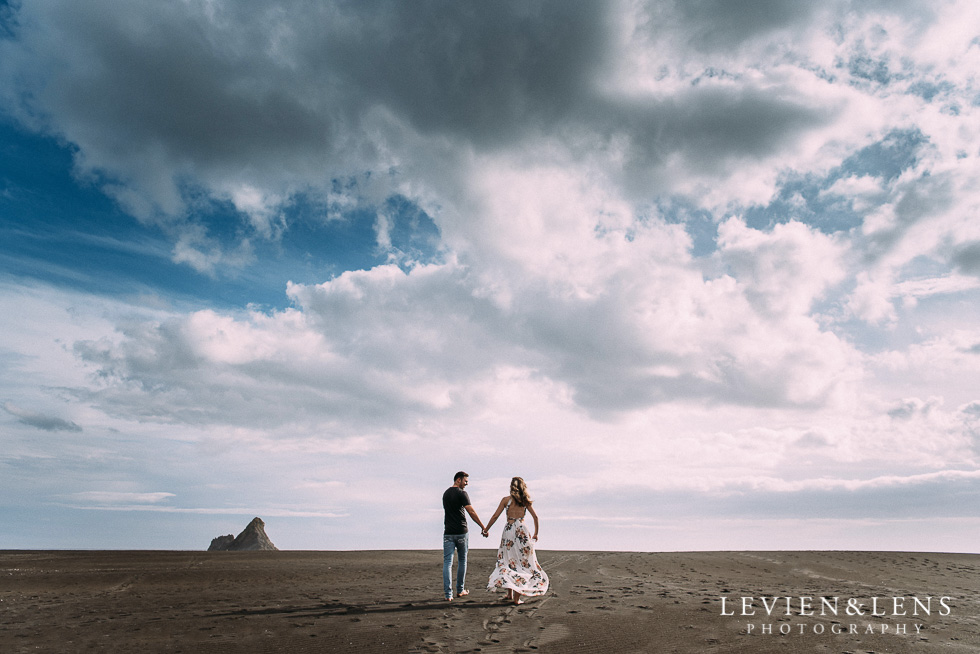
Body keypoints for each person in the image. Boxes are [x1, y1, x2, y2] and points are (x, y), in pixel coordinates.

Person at [482, 476, 549, 605]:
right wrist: (536, 533)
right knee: (522, 563)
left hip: (508, 531)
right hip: (521, 531)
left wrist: (486, 528)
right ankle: (514, 597)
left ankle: (510, 594)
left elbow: (495, 516)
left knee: (508, 561)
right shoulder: (525, 501)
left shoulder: (505, 500)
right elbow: (535, 516)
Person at [442, 471, 487, 602]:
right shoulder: (462, 494)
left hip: (448, 532)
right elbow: (471, 511)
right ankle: (460, 590)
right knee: (462, 560)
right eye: (465, 481)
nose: (466, 484)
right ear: (458, 480)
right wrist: (483, 526)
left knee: (447, 563)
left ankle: (448, 594)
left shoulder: (445, 493)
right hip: (461, 531)